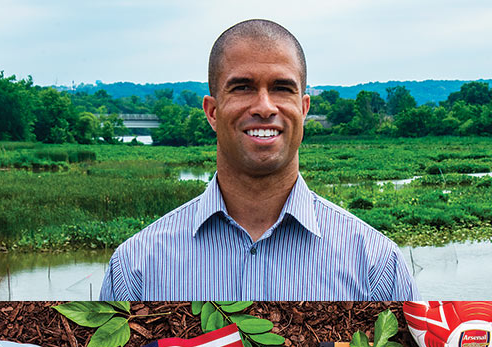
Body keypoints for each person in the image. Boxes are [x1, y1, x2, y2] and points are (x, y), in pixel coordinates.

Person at [99, 19, 419, 301]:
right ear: (212, 111)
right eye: (243, 87)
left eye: (282, 88)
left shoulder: (377, 267)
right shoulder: (137, 267)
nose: (265, 107)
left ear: (304, 109)